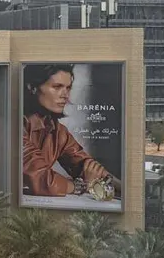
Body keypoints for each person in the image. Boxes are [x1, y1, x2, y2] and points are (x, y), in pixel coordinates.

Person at [21, 64, 122, 200]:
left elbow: (84, 164)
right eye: (57, 87)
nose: (66, 95)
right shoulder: (15, 125)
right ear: (32, 87)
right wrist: (82, 186)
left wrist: (124, 188)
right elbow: (43, 179)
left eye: (68, 88)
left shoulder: (57, 130)